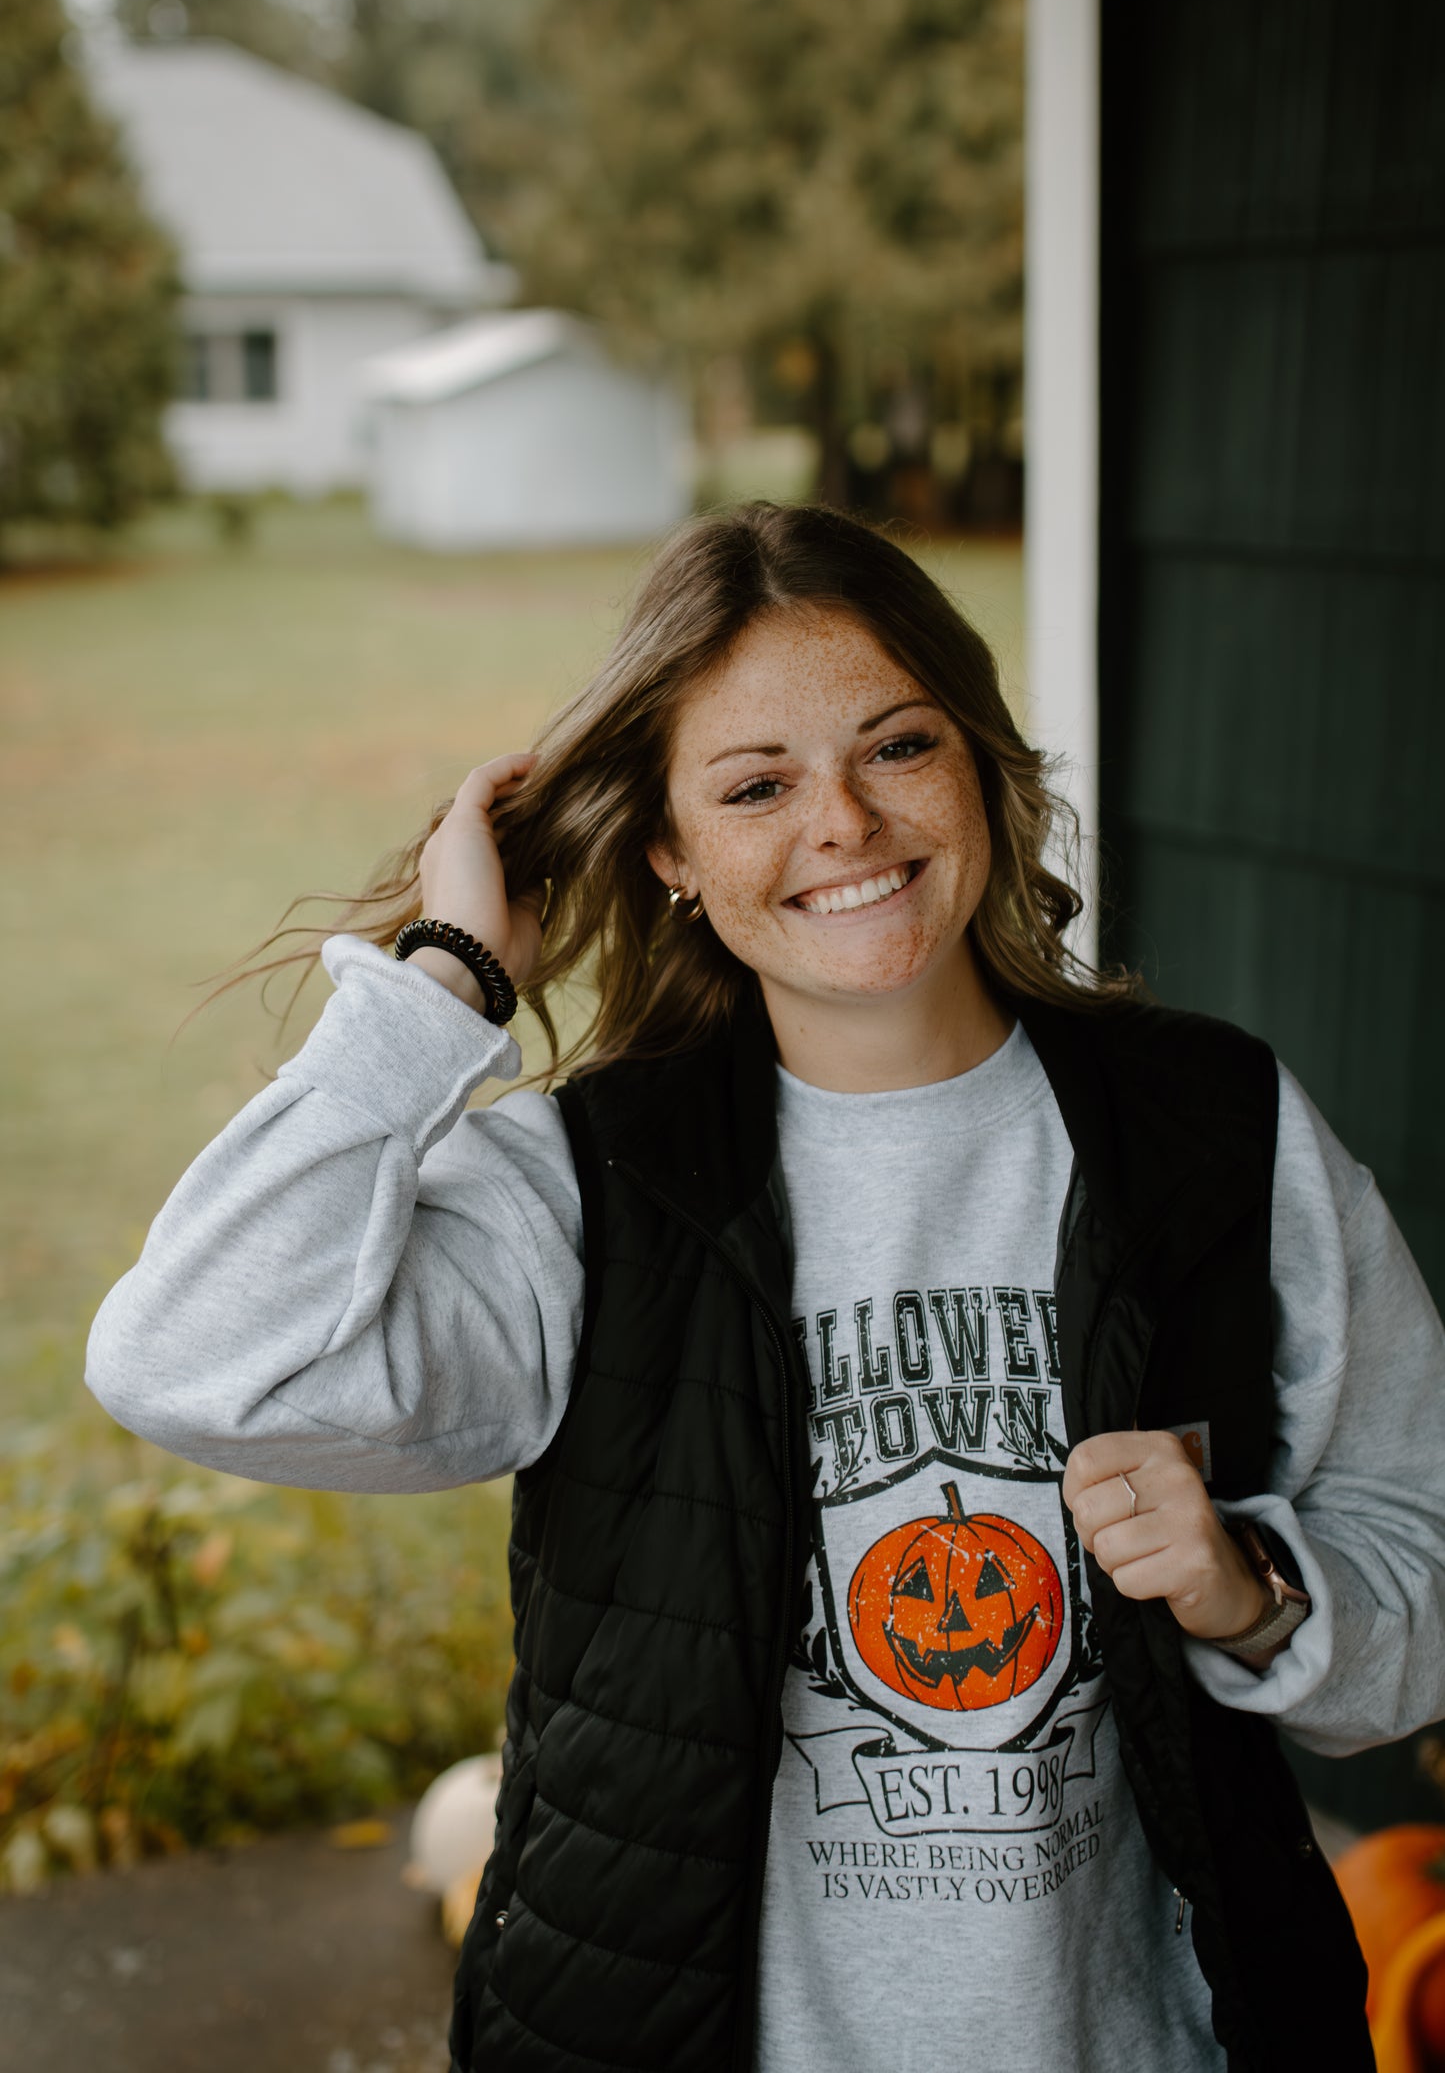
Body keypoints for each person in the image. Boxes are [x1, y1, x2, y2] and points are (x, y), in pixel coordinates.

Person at [87, 503, 1445, 2073]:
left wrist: (1250, 1590)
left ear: (981, 765)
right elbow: (191, 1356)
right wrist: (450, 974)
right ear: (668, 849)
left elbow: (1417, 1586)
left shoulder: (1216, 1133)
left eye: (896, 748)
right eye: (755, 785)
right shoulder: (587, 1194)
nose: (846, 827)